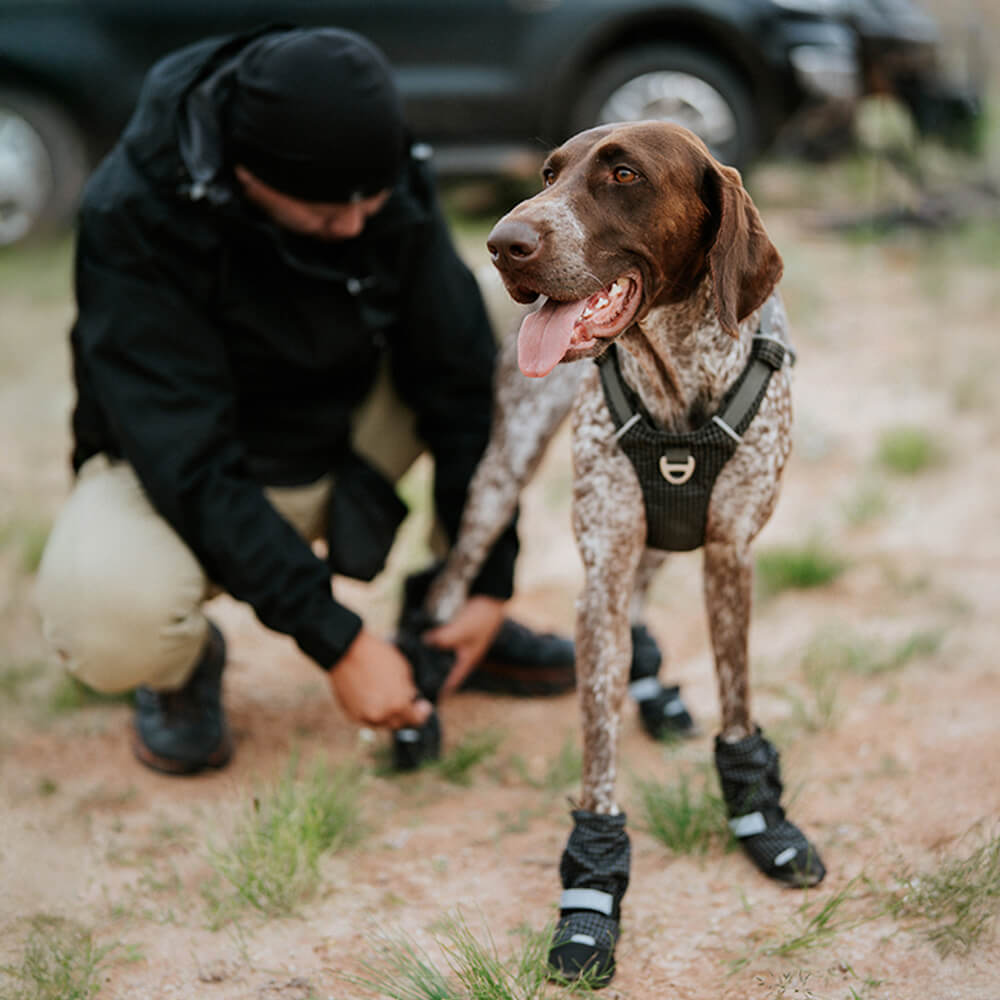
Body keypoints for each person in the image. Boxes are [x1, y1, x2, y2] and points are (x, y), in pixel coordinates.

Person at [34, 25, 578, 776]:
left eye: (372, 202)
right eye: (327, 219)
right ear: (243, 173)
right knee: (106, 621)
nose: (357, 226)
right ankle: (182, 667)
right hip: (186, 465)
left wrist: (484, 579)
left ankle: (447, 621)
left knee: (509, 331)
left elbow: (454, 378)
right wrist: (339, 642)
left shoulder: (372, 165)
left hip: (345, 427)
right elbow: (187, 459)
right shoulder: (131, 212)